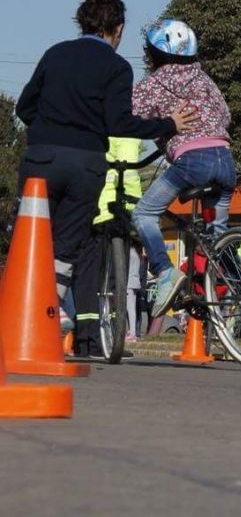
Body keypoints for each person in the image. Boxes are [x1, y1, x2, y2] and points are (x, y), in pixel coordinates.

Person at [15, 0, 196, 311]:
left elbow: (24, 107)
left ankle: (16, 313)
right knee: (66, 246)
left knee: (28, 237)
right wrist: (169, 124)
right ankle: (46, 316)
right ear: (119, 28)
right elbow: (120, 125)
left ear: (83, 22)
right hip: (85, 165)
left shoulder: (55, 53)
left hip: (41, 158)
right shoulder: (117, 67)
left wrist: (48, 130)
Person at [131, 17, 236, 317]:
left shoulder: (154, 83)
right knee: (218, 235)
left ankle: (165, 272)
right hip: (225, 159)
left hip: (192, 162)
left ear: (154, 54)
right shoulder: (205, 79)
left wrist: (162, 130)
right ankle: (240, 282)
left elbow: (127, 116)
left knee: (144, 214)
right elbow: (225, 115)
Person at [69, 136, 143, 358]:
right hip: (116, 210)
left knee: (88, 276)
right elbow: (129, 172)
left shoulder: (96, 122)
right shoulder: (127, 130)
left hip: (91, 207)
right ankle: (102, 341)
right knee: (110, 283)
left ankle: (86, 340)